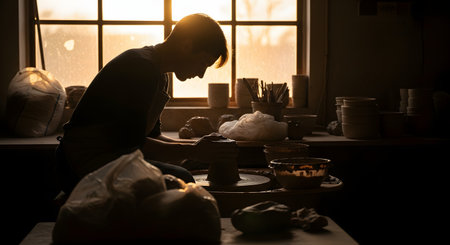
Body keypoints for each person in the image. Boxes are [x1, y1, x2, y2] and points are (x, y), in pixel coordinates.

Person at [55, 13, 237, 195]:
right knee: (181, 181)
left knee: (187, 167)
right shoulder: (141, 67)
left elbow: (152, 136)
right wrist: (192, 151)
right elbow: (131, 144)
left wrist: (198, 149)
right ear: (187, 45)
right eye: (203, 63)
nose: (200, 74)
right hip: (82, 160)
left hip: (113, 155)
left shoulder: (159, 74)